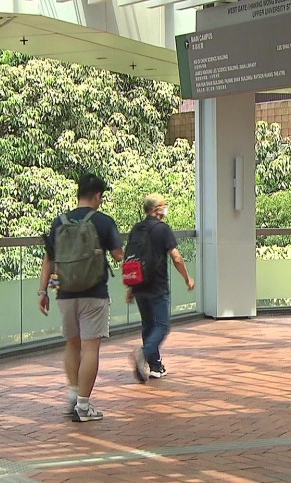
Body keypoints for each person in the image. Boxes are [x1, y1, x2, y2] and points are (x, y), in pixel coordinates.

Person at [39, 174, 123, 422]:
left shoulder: (60, 221)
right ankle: (83, 407)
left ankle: (74, 395)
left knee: (72, 344)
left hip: (64, 293)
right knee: (90, 348)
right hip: (94, 294)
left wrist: (42, 292)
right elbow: (118, 255)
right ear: (98, 196)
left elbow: (49, 260)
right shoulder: (103, 221)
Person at [126, 194, 195, 383]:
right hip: (157, 285)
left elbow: (132, 259)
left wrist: (131, 288)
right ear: (157, 209)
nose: (166, 208)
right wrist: (187, 278)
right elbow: (176, 257)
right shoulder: (162, 229)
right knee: (162, 326)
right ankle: (143, 353)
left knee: (148, 325)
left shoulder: (136, 229)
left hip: (139, 285)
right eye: (164, 205)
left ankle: (155, 366)